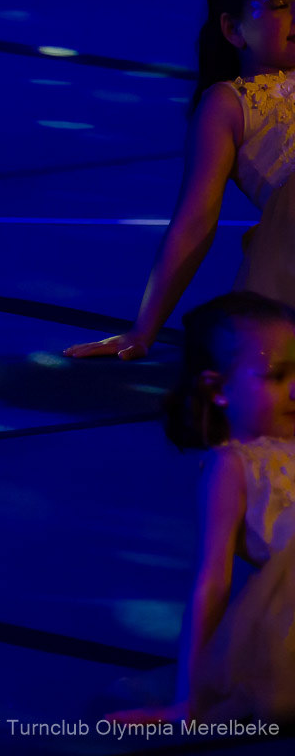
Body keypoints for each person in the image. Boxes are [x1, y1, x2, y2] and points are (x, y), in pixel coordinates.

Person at [68, 0, 295, 360]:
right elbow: (195, 222)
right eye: (280, 4)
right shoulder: (229, 103)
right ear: (233, 29)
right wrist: (144, 330)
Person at [106, 292, 295, 723]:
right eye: (276, 375)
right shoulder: (232, 467)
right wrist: (187, 701)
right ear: (218, 388)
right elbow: (212, 582)